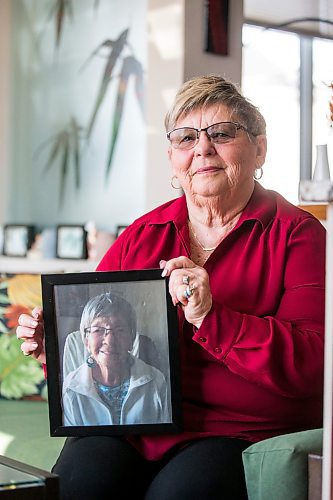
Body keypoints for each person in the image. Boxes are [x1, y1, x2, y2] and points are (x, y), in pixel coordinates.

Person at [17, 74, 325, 500]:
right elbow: (91, 342)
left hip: (234, 430)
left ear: (259, 148)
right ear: (172, 159)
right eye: (186, 138)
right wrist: (54, 346)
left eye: (222, 133)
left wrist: (210, 318)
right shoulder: (144, 233)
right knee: (78, 485)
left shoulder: (298, 235)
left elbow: (314, 364)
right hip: (132, 423)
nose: (202, 149)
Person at [62, 292, 170, 426]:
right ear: (86, 340)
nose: (110, 340)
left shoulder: (156, 381)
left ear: (131, 339)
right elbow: (75, 440)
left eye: (120, 330)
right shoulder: (71, 386)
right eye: (98, 330)